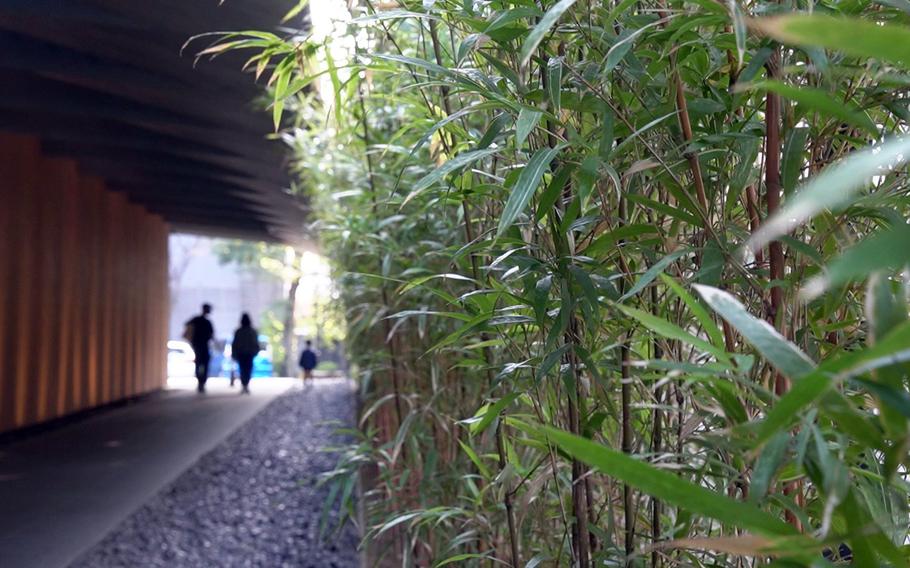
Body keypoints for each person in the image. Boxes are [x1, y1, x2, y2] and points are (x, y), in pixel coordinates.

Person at [185, 303, 215, 393]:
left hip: (197, 345)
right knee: (204, 364)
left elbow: (187, 324)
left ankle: (200, 381)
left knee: (199, 364)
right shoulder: (206, 322)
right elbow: (211, 335)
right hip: (202, 346)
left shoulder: (196, 320)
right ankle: (201, 381)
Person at [232, 313, 260, 394]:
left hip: (242, 354)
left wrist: (234, 353)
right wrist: (255, 351)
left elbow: (235, 343)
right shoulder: (252, 331)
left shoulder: (239, 331)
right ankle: (245, 385)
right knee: (247, 369)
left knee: (243, 369)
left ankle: (244, 384)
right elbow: (256, 343)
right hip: (248, 354)